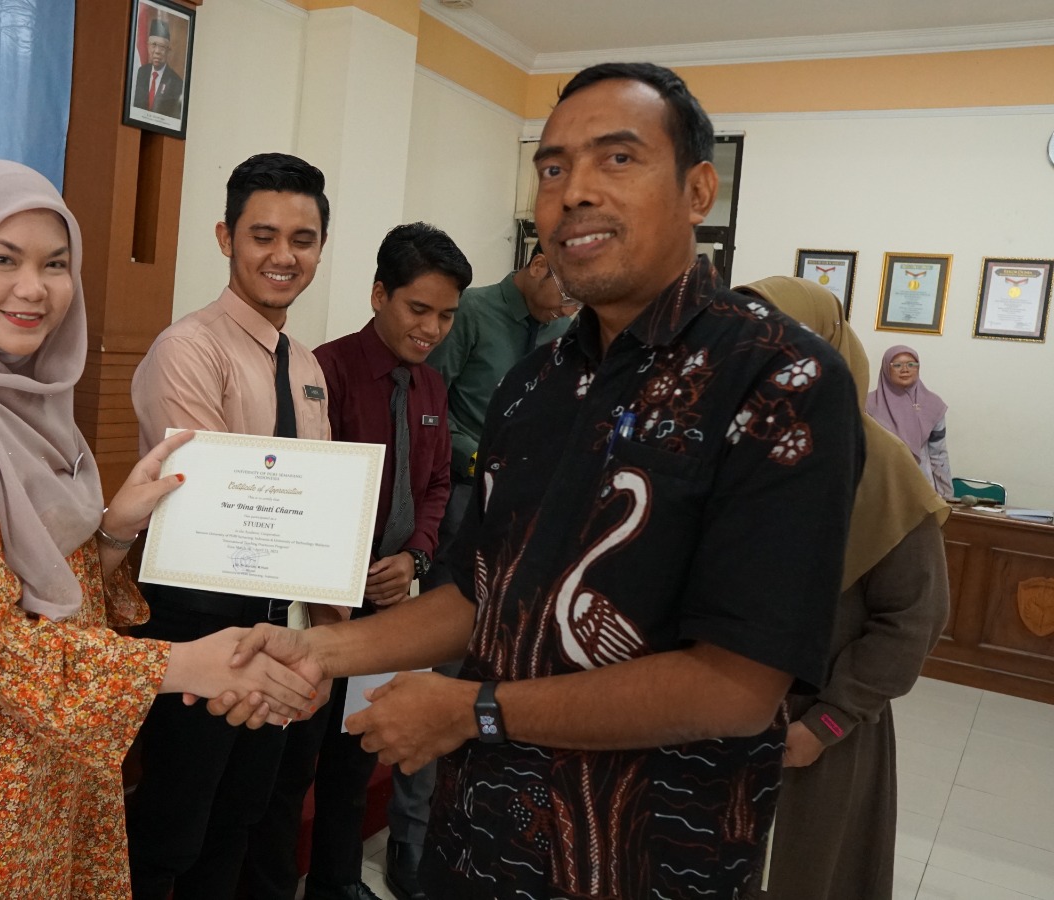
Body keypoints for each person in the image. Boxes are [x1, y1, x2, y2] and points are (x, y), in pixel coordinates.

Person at [219, 62, 865, 898]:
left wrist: (473, 710)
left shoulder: (777, 380)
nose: (574, 191)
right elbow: (479, 591)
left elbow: (736, 685)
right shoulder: (536, 384)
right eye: (553, 168)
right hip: (480, 838)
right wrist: (317, 650)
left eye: (618, 158)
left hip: (640, 858)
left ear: (698, 190)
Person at [0, 160, 318, 899]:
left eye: (56, 264)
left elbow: (42, 590)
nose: (34, 288)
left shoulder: (24, 399)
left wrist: (113, 532)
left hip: (41, 764)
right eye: (3, 259)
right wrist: (183, 665)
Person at [125, 152, 333, 900]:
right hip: (197, 620)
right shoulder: (189, 348)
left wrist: (321, 623)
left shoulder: (305, 363)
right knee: (173, 828)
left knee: (240, 818)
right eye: (263, 235)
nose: (284, 256)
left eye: (302, 239)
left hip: (278, 620)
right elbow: (217, 507)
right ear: (226, 237)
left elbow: (316, 496)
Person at [242, 223, 468, 900]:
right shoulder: (325, 371)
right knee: (294, 766)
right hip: (321, 603)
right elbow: (307, 484)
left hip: (393, 605)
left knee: (359, 754)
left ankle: (337, 884)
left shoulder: (432, 387)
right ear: (379, 294)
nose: (431, 329)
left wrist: (417, 558)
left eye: (446, 316)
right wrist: (340, 574)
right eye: (418, 309)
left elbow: (436, 484)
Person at [737, 276, 950, 900]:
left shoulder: (881, 467)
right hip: (717, 714)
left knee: (805, 871)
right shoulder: (734, 448)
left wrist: (830, 720)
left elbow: (914, 618)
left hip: (816, 728)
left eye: (789, 345)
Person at [390, 244, 577, 899]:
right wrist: (493, 464)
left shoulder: (562, 330)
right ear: (537, 265)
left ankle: (474, 826)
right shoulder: (467, 313)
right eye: (565, 291)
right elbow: (430, 415)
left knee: (500, 674)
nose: (569, 306)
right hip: (462, 511)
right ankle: (410, 840)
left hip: (529, 522)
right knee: (444, 673)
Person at [867, 345, 953, 499]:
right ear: (886, 368)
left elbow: (938, 454)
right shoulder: (868, 405)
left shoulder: (933, 405)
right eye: (897, 365)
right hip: (880, 486)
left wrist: (946, 496)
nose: (905, 370)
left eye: (911, 364)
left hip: (921, 487)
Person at [131, 17, 185, 118]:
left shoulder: (177, 83)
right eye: (154, 45)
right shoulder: (141, 72)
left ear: (168, 51)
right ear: (148, 46)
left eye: (162, 47)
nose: (157, 51)